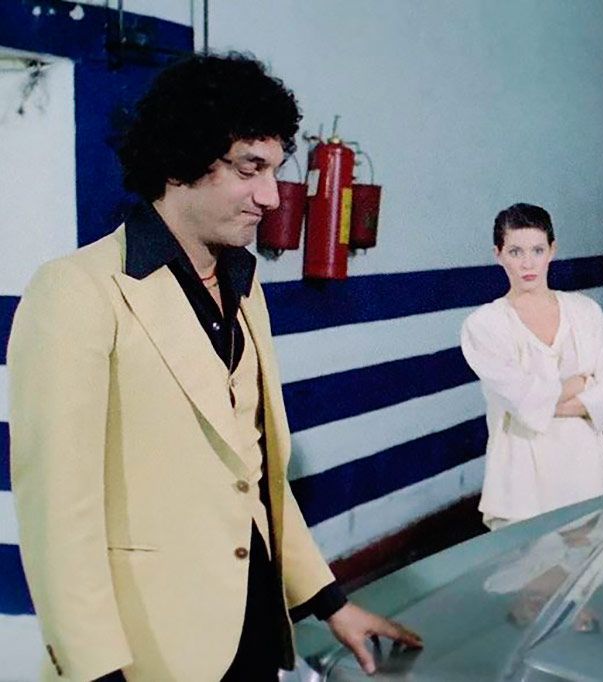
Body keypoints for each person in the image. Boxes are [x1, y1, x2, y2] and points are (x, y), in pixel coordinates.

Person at [7, 53, 421, 681]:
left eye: (275, 170)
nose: (270, 196)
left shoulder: (244, 287)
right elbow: (58, 512)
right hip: (150, 647)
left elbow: (256, 476)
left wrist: (330, 603)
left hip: (253, 621)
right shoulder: (78, 291)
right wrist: (95, 670)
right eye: (249, 168)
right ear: (181, 162)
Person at [460, 203, 603, 530]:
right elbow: (521, 400)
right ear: (498, 254)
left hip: (584, 473)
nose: (527, 263)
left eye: (537, 250)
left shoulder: (586, 312)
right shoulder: (484, 325)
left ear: (552, 250)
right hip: (520, 480)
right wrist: (579, 385)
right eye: (515, 251)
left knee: (590, 558)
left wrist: (540, 401)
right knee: (528, 561)